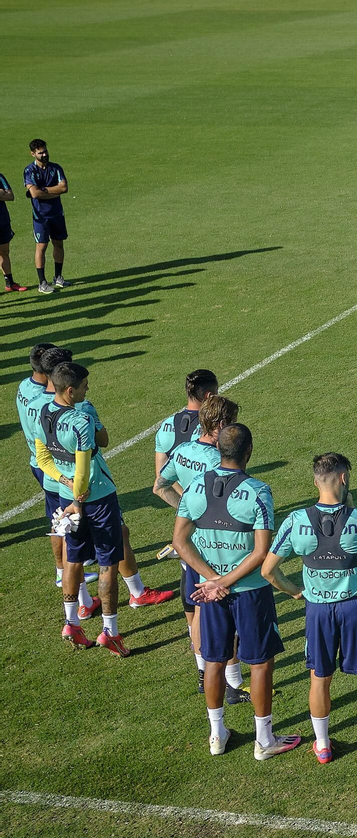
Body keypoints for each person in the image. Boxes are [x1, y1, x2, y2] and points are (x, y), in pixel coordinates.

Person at [261, 453, 357, 767]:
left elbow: (268, 570)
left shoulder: (296, 520)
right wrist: (350, 507)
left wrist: (295, 591)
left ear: (316, 481)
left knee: (319, 677)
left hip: (318, 610)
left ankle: (323, 746)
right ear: (344, 479)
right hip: (356, 607)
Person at [172, 423, 300, 760]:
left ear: (219, 450)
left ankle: (217, 735)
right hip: (250, 592)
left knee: (213, 660)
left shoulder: (195, 486)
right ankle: (264, 740)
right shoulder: (258, 492)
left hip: (210, 592)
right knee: (259, 663)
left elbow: (179, 541)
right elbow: (261, 552)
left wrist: (213, 580)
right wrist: (224, 582)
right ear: (249, 451)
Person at [35, 362, 174, 657]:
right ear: (70, 390)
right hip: (95, 498)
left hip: (65, 496)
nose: (88, 390)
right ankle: (110, 631)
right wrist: (79, 499)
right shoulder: (80, 420)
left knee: (73, 559)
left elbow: (42, 458)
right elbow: (84, 469)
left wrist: (64, 482)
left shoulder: (43, 412)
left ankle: (71, 623)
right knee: (108, 563)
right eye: (84, 386)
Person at [153, 394, 251, 703]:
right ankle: (233, 683)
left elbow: (159, 486)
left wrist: (187, 513)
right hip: (215, 549)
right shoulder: (217, 462)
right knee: (224, 613)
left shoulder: (183, 450)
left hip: (188, 546)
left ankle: (202, 672)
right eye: (232, 423)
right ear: (221, 424)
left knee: (197, 609)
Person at [18, 345, 95, 618]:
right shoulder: (63, 407)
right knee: (72, 531)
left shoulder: (25, 390)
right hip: (63, 472)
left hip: (41, 466)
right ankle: (81, 598)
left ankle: (62, 572)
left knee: (57, 521)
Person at [153, 367, 218, 667]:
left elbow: (160, 481)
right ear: (209, 395)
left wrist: (184, 508)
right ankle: (218, 668)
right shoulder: (209, 429)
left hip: (184, 516)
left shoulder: (167, 425)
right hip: (208, 520)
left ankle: (199, 659)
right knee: (208, 589)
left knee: (188, 575)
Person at [23, 139, 69, 294]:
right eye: (40, 153)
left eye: (45, 151)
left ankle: (58, 277)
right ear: (33, 154)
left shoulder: (56, 168)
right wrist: (54, 191)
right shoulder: (29, 171)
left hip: (57, 213)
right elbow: (35, 193)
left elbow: (64, 188)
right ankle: (42, 283)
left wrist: (44, 190)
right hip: (41, 216)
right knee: (41, 247)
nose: (44, 155)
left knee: (59, 244)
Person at [0, 167, 25, 291]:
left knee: (4, 253)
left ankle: (9, 283)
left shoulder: (0, 177)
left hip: (2, 221)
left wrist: (1, 193)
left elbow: (10, 196)